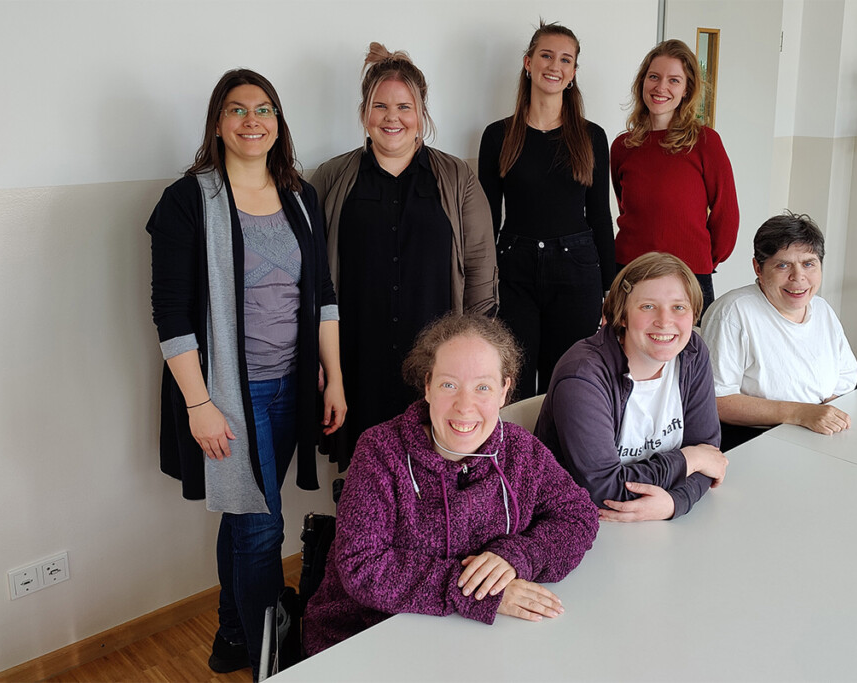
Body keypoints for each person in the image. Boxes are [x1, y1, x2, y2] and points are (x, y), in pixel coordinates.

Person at [146, 69, 346, 678]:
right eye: (237, 110)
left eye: (264, 109)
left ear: (278, 123)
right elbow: (170, 311)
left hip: (293, 386)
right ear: (217, 123)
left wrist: (332, 376)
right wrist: (199, 404)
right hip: (229, 394)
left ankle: (234, 634)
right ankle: (273, 660)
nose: (251, 120)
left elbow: (323, 293)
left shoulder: (300, 196)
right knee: (261, 527)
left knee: (243, 513)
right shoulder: (189, 200)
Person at [303, 314, 599, 655]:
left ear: (505, 390)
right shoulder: (380, 451)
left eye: (483, 387)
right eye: (449, 384)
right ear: (427, 385)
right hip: (367, 638)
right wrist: (482, 591)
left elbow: (579, 515)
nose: (464, 405)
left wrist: (516, 556)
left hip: (477, 641)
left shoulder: (521, 450)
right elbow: (362, 565)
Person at [312, 43, 497, 468]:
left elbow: (481, 272)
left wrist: (472, 363)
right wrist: (321, 364)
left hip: (437, 365)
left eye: (404, 106)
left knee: (434, 473)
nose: (391, 117)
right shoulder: (331, 179)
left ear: (421, 113)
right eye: (380, 106)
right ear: (364, 113)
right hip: (356, 360)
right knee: (362, 478)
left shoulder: (457, 178)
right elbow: (313, 278)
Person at [535, 252, 728, 521]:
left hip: (655, 525)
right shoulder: (583, 376)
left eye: (679, 307)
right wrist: (688, 461)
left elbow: (709, 453)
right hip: (579, 525)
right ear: (621, 316)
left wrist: (676, 501)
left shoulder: (692, 353)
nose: (665, 321)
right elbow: (602, 489)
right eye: (648, 306)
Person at [479, 21, 614, 400]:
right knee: (513, 380)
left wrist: (611, 287)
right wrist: (479, 282)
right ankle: (519, 459)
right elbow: (488, 216)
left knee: (567, 382)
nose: (555, 66)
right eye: (546, 55)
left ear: (572, 73)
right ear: (528, 62)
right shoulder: (497, 135)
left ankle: (560, 461)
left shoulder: (591, 136)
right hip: (514, 270)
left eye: (565, 60)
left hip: (577, 271)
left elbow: (599, 215)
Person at [700, 212, 857, 449]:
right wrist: (801, 413)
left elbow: (844, 379)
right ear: (758, 268)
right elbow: (718, 400)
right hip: (754, 439)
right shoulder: (733, 312)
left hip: (814, 433)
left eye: (808, 264)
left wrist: (826, 416)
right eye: (783, 265)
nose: (798, 277)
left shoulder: (822, 309)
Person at [611, 39, 739, 313]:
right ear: (642, 82)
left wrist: (701, 260)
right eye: (654, 77)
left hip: (689, 274)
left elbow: (726, 216)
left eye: (674, 80)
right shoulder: (623, 146)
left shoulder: (705, 141)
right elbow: (628, 208)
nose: (661, 87)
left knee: (690, 353)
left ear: (686, 90)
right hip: (630, 272)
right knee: (627, 353)